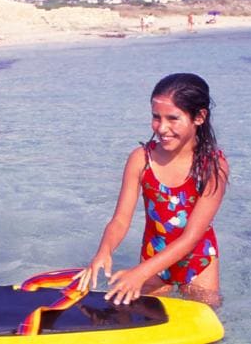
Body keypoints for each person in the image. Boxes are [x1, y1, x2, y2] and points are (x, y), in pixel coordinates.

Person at [75, 73, 229, 308]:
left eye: (173, 118)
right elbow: (120, 220)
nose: (162, 127)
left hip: (198, 262)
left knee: (207, 326)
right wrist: (103, 252)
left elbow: (191, 238)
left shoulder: (213, 166)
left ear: (199, 117)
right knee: (144, 320)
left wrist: (139, 273)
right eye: (156, 117)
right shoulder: (141, 160)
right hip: (153, 257)